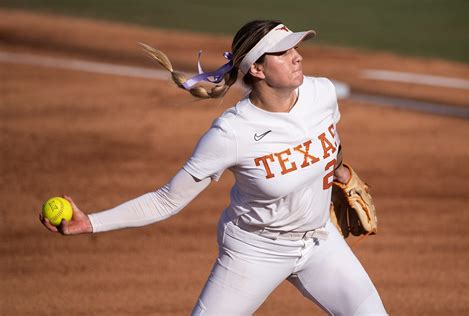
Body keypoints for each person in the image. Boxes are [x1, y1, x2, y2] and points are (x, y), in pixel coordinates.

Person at [40, 20, 387, 315]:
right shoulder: (232, 133)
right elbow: (166, 200)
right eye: (283, 51)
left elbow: (331, 144)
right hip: (254, 252)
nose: (297, 56)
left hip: (319, 243)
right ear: (257, 69)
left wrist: (340, 172)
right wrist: (91, 223)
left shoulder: (322, 93)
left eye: (295, 47)